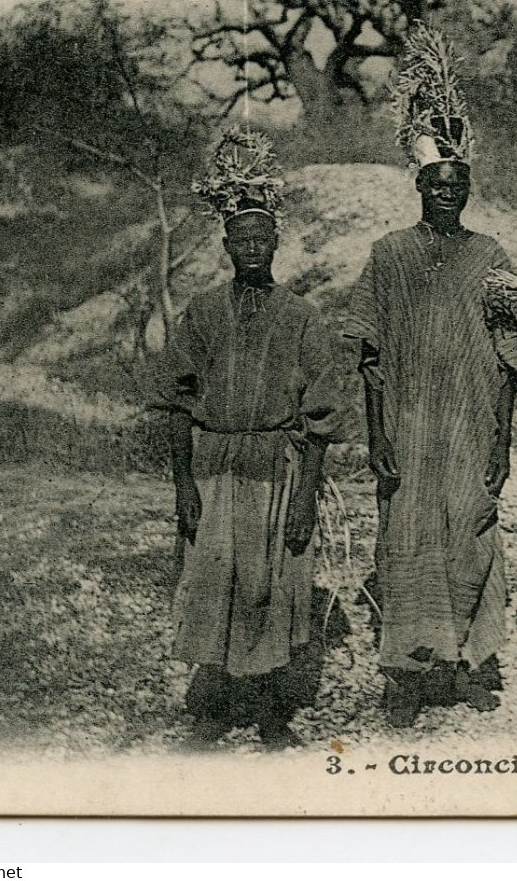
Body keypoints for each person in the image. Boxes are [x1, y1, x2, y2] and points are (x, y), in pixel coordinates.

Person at [343, 27, 517, 729]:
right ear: (418, 185)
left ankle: (471, 662)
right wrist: (375, 437)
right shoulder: (388, 256)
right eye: (436, 183)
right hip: (409, 432)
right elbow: (367, 353)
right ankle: (408, 674)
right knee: (406, 543)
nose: (447, 194)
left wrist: (503, 443)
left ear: (468, 188)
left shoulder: (491, 254)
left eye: (458, 184)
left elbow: (512, 361)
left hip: (471, 427)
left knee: (471, 536)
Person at [160, 127, 341, 750]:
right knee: (214, 582)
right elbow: (175, 404)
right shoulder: (202, 313)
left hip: (276, 469)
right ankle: (213, 706)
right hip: (215, 468)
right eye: (243, 238)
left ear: (278, 243)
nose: (254, 248)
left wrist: (305, 498)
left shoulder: (302, 318)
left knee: (269, 587)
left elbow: (319, 423)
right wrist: (184, 486)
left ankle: (269, 713)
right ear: (226, 244)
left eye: (265, 238)